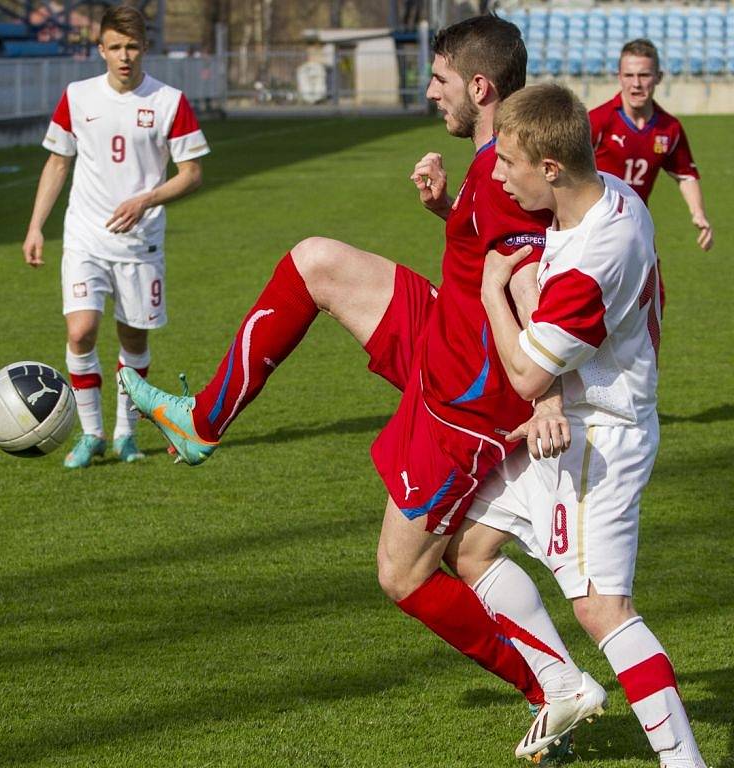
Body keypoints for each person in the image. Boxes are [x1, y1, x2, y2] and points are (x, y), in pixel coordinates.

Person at [120, 16, 605, 760]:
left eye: (439, 79)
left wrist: (543, 395)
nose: (429, 91)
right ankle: (203, 420)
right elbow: (502, 249)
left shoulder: (508, 175)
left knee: (405, 573)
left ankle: (552, 689)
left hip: (468, 397)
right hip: (450, 331)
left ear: (479, 88)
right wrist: (448, 214)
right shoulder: (488, 166)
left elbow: (537, 282)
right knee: (314, 259)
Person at [452, 81, 706, 768]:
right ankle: (563, 686)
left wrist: (490, 292)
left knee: (604, 610)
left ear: (552, 169)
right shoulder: (611, 197)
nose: (498, 174)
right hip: (570, 424)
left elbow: (529, 374)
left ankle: (685, 763)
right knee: (468, 548)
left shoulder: (596, 259)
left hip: (599, 440)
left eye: (508, 163)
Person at [22, 5, 208, 468]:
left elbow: (192, 174)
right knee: (81, 331)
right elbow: (58, 162)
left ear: (144, 47)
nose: (124, 56)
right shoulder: (77, 95)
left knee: (133, 339)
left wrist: (145, 199)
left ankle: (126, 433)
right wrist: (35, 226)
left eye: (131, 47)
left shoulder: (169, 100)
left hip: (140, 242)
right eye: (115, 47)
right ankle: (91, 434)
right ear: (100, 49)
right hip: (84, 235)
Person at [589, 39, 713, 307]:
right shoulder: (598, 121)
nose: (636, 84)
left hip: (638, 231)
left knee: (652, 303)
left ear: (659, 77)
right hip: (595, 232)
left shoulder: (669, 128)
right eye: (629, 75)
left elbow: (685, 174)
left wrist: (698, 213)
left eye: (644, 75)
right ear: (618, 77)